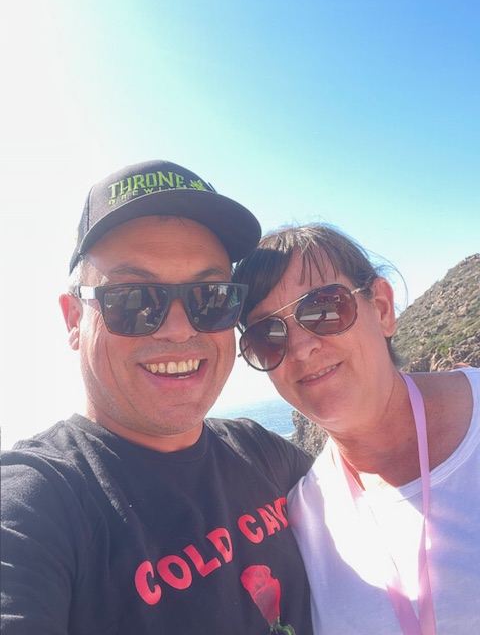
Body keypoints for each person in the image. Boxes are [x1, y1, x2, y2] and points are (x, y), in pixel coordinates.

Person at [1, 161, 314, 634]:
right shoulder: (36, 507)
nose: (179, 329)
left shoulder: (262, 451)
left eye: (210, 296)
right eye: (134, 299)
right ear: (74, 319)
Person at [233, 223, 480, 634]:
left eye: (324, 309)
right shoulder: (306, 516)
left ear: (382, 308)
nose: (301, 348)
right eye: (267, 335)